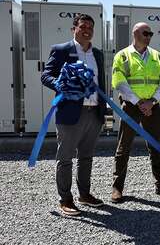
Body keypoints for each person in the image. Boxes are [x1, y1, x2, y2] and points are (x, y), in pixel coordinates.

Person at [41, 14, 106, 216]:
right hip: (70, 113)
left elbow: (100, 81)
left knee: (86, 157)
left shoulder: (98, 53)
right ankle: (65, 199)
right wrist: (60, 84)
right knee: (66, 157)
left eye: (90, 27)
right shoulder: (62, 50)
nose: (87, 29)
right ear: (74, 29)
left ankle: (84, 195)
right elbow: (46, 74)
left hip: (93, 112)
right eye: (82, 26)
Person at [111, 22, 160, 203]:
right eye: (145, 33)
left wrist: (152, 101)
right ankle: (117, 188)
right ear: (135, 33)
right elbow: (120, 83)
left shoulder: (158, 56)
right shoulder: (122, 56)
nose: (149, 36)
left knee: (155, 146)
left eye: (150, 34)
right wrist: (139, 102)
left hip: (152, 106)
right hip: (132, 106)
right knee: (123, 148)